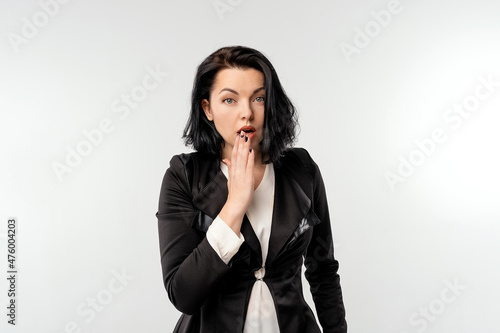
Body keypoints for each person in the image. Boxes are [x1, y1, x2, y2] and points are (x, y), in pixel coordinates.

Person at [156, 46, 347, 332]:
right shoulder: (183, 176)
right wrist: (235, 204)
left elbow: (323, 271)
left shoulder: (302, 169)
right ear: (208, 108)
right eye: (229, 100)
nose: (247, 113)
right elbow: (183, 294)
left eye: (259, 98)